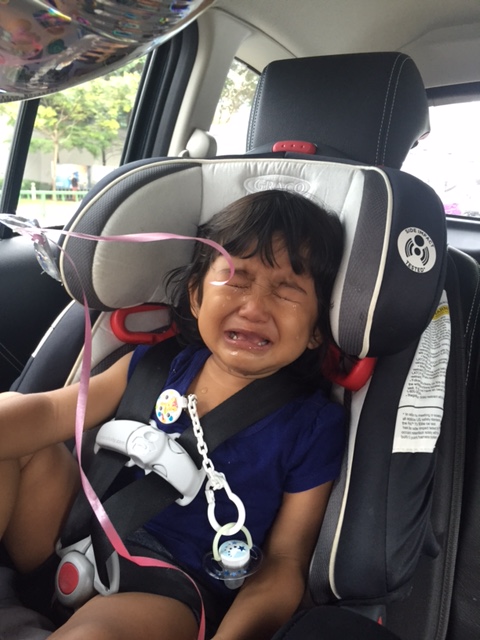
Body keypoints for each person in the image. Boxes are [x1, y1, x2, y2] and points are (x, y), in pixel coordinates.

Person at [0, 189, 345, 640]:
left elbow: (283, 561)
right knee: (14, 426)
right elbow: (49, 413)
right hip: (70, 537)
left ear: (318, 329)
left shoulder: (312, 426)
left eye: (287, 291)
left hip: (166, 591)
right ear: (196, 296)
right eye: (236, 279)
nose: (254, 307)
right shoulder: (155, 365)